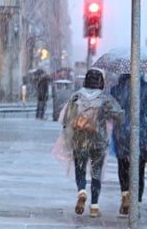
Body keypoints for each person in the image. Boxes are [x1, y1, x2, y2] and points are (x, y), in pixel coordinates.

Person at [52, 68, 123, 217]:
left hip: (79, 139)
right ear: (101, 82)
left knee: (80, 169)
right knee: (97, 173)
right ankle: (94, 207)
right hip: (98, 140)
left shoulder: (76, 96)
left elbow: (66, 119)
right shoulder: (104, 98)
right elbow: (119, 116)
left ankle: (82, 191)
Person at [109, 73, 147, 216]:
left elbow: (111, 112)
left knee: (123, 165)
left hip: (121, 131)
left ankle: (125, 195)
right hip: (143, 132)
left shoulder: (116, 89)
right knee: (139, 168)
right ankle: (137, 203)